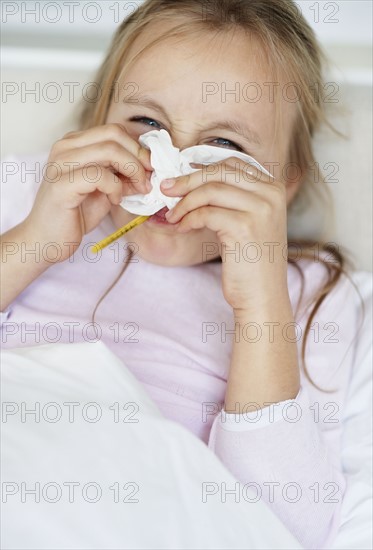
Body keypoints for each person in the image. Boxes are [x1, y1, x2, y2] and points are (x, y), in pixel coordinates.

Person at [0, 1, 370, 548]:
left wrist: (260, 304)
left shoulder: (313, 294)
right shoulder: (36, 192)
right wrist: (34, 243)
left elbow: (284, 527)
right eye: (147, 123)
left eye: (224, 146)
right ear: (94, 123)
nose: (171, 165)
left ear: (286, 182)